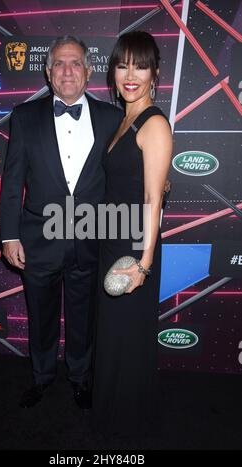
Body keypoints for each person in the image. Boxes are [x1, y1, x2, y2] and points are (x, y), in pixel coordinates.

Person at [0, 36, 123, 409]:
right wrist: (8, 235)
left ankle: (81, 378)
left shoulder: (113, 118)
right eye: (59, 64)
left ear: (88, 73)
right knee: (41, 315)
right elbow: (11, 181)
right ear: (48, 73)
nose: (67, 71)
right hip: (38, 239)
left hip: (90, 237)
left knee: (85, 317)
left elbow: (126, 177)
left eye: (75, 64)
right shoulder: (24, 116)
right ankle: (41, 377)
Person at [92, 31, 173, 437]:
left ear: (154, 72)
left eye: (140, 65)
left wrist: (143, 265)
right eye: (123, 64)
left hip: (132, 252)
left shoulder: (154, 123)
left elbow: (151, 198)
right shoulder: (124, 120)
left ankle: (126, 428)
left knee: (126, 339)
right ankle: (110, 418)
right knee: (112, 339)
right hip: (111, 243)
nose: (130, 74)